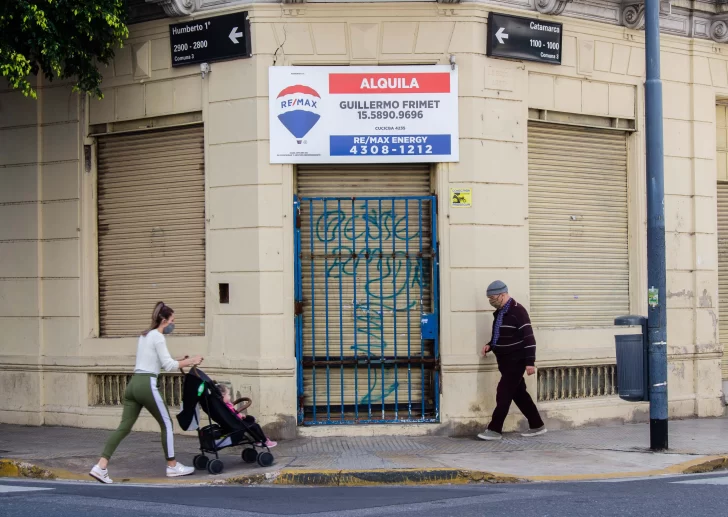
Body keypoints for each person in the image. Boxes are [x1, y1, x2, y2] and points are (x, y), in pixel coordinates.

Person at [89, 302, 204, 484]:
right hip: (147, 385)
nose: (174, 325)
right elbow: (168, 366)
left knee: (123, 427)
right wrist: (191, 361)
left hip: (133, 384)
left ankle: (100, 467)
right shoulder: (158, 337)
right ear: (164, 320)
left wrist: (179, 360)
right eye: (173, 321)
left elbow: (152, 362)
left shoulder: (144, 336)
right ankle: (172, 466)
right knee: (166, 423)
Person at [478, 281, 547, 441]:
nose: (491, 301)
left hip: (516, 360)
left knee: (503, 393)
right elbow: (501, 335)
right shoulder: (501, 312)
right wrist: (490, 345)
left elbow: (529, 338)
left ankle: (494, 429)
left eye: (493, 297)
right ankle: (537, 425)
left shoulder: (518, 311)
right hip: (504, 361)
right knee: (519, 394)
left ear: (503, 295)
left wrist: (530, 362)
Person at [217, 383, 277, 448]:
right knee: (255, 426)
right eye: (228, 394)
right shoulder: (226, 406)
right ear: (222, 395)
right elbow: (232, 415)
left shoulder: (220, 406)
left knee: (250, 422)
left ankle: (258, 440)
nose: (229, 396)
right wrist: (240, 415)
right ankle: (264, 441)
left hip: (230, 423)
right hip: (235, 424)